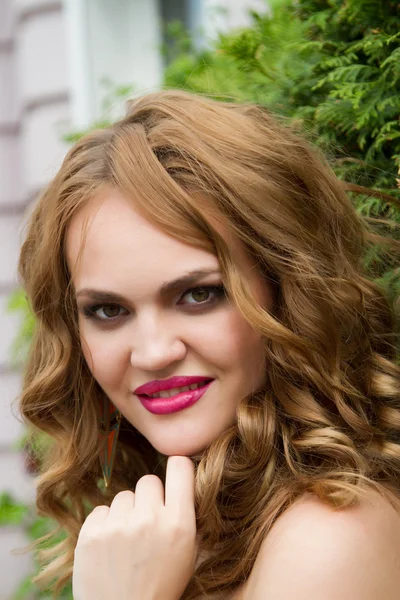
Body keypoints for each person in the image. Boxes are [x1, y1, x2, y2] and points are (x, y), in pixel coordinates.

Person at [17, 89, 400, 599]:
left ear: (287, 291)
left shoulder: (330, 539)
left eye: (199, 294)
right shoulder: (177, 532)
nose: (153, 353)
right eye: (108, 311)